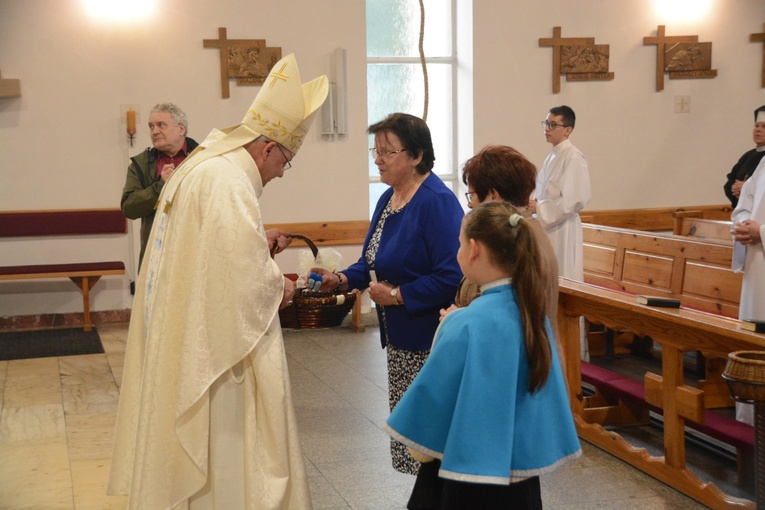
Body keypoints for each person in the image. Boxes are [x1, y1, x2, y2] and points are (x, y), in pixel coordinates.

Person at [108, 54, 328, 509]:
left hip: (186, 331)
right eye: (285, 161)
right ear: (268, 148)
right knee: (229, 458)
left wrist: (255, 245)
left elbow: (213, 255)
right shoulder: (227, 180)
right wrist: (282, 288)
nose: (281, 173)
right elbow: (243, 283)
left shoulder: (206, 165)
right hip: (216, 357)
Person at [386, 202, 582, 510]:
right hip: (520, 476)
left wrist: (449, 325)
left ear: (474, 249)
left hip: (464, 474)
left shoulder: (464, 323)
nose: (459, 249)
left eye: (460, 243)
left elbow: (434, 399)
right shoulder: (532, 313)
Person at [313, 113, 464, 475]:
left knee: (432, 439)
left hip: (430, 337)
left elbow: (452, 275)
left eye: (387, 152)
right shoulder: (389, 199)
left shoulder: (436, 202)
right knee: (413, 436)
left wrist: (398, 295)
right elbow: (371, 262)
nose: (378, 159)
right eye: (375, 150)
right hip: (401, 338)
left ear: (416, 156)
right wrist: (340, 279)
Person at [447, 145, 564, 376]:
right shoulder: (520, 231)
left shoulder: (515, 242)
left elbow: (506, 320)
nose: (470, 205)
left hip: (521, 369)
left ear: (493, 196)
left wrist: (458, 320)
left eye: (472, 195)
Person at [531, 105, 591, 360]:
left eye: (553, 124)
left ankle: (571, 354)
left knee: (562, 287)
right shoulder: (552, 156)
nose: (547, 128)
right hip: (549, 229)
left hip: (563, 230)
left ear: (568, 130)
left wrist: (540, 208)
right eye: (545, 123)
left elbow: (575, 200)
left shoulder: (573, 157)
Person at [120, 102, 199, 271]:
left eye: (161, 125)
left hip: (196, 249)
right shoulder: (141, 164)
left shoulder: (204, 158)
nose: (154, 131)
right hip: (157, 254)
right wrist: (161, 186)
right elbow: (129, 207)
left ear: (181, 129)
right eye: (151, 126)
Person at [731, 153, 765, 426]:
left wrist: (762, 231)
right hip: (757, 265)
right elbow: (745, 202)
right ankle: (750, 426)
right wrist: (741, 224)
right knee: (753, 344)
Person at [724, 105, 765, 208]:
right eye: (756, 126)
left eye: (764, 126)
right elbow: (729, 182)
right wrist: (736, 190)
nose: (758, 130)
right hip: (743, 214)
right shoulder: (748, 156)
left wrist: (746, 189)